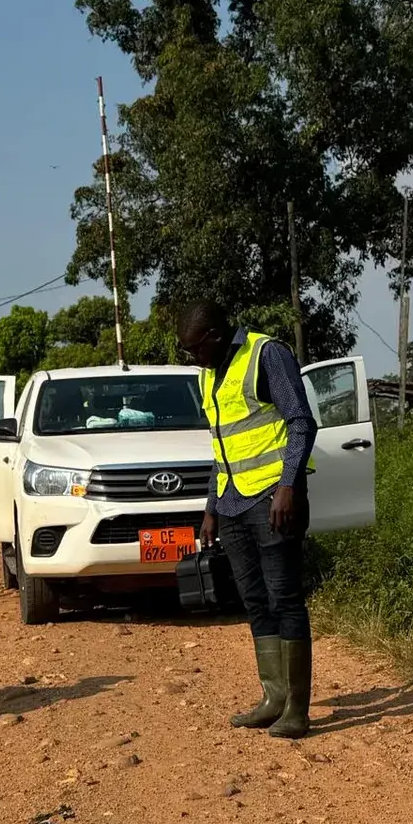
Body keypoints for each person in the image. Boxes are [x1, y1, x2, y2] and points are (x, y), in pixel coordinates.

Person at [178, 299, 318, 739]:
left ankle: (297, 709)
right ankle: (273, 698)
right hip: (232, 503)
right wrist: (211, 508)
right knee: (255, 601)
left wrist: (288, 486)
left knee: (284, 598)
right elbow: (223, 447)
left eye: (194, 348)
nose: (192, 357)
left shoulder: (266, 354)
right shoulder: (207, 374)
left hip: (273, 499)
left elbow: (302, 423)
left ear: (215, 336)